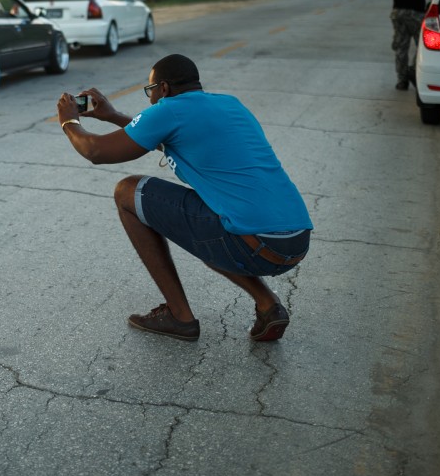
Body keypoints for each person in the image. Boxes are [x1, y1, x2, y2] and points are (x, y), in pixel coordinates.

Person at [56, 54, 313, 343]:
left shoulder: (168, 110)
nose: (151, 98)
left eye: (150, 90)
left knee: (128, 192)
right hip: (295, 241)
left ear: (163, 88)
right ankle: (268, 306)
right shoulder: (230, 104)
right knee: (209, 219)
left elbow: (96, 152)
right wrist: (113, 116)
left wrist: (69, 122)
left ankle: (180, 317)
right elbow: (166, 138)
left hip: (253, 242)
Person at [377, 0, 436, 90]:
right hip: (416, 13)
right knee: (422, 45)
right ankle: (414, 71)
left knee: (401, 48)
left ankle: (402, 80)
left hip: (399, 13)